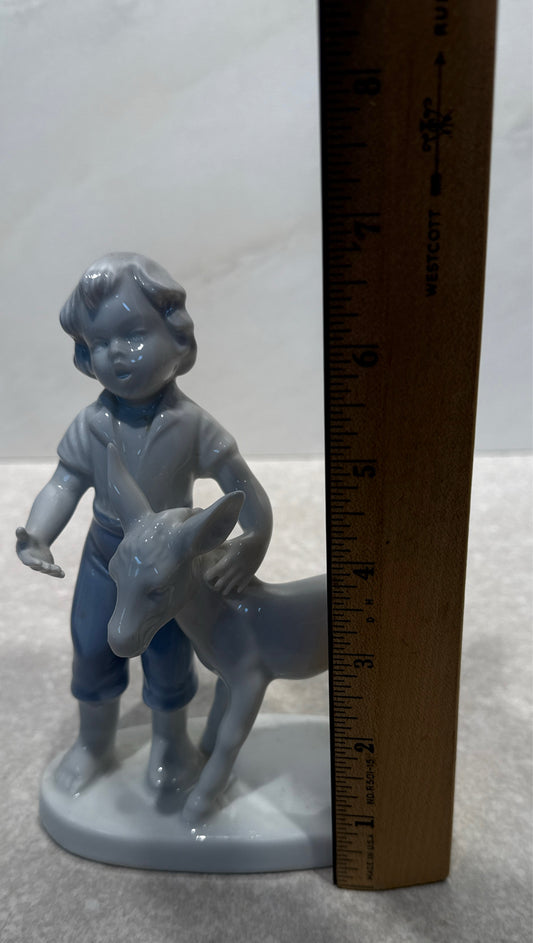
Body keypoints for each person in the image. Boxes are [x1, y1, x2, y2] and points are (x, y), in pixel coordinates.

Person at [16, 253, 273, 796]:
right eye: (99, 342)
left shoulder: (193, 425)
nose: (115, 353)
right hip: (106, 556)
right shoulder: (92, 424)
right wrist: (38, 534)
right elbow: (64, 483)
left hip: (173, 565)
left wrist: (254, 541)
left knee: (169, 653)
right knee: (92, 646)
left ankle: (170, 742)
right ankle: (94, 743)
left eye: (132, 335)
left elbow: (244, 490)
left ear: (177, 339)